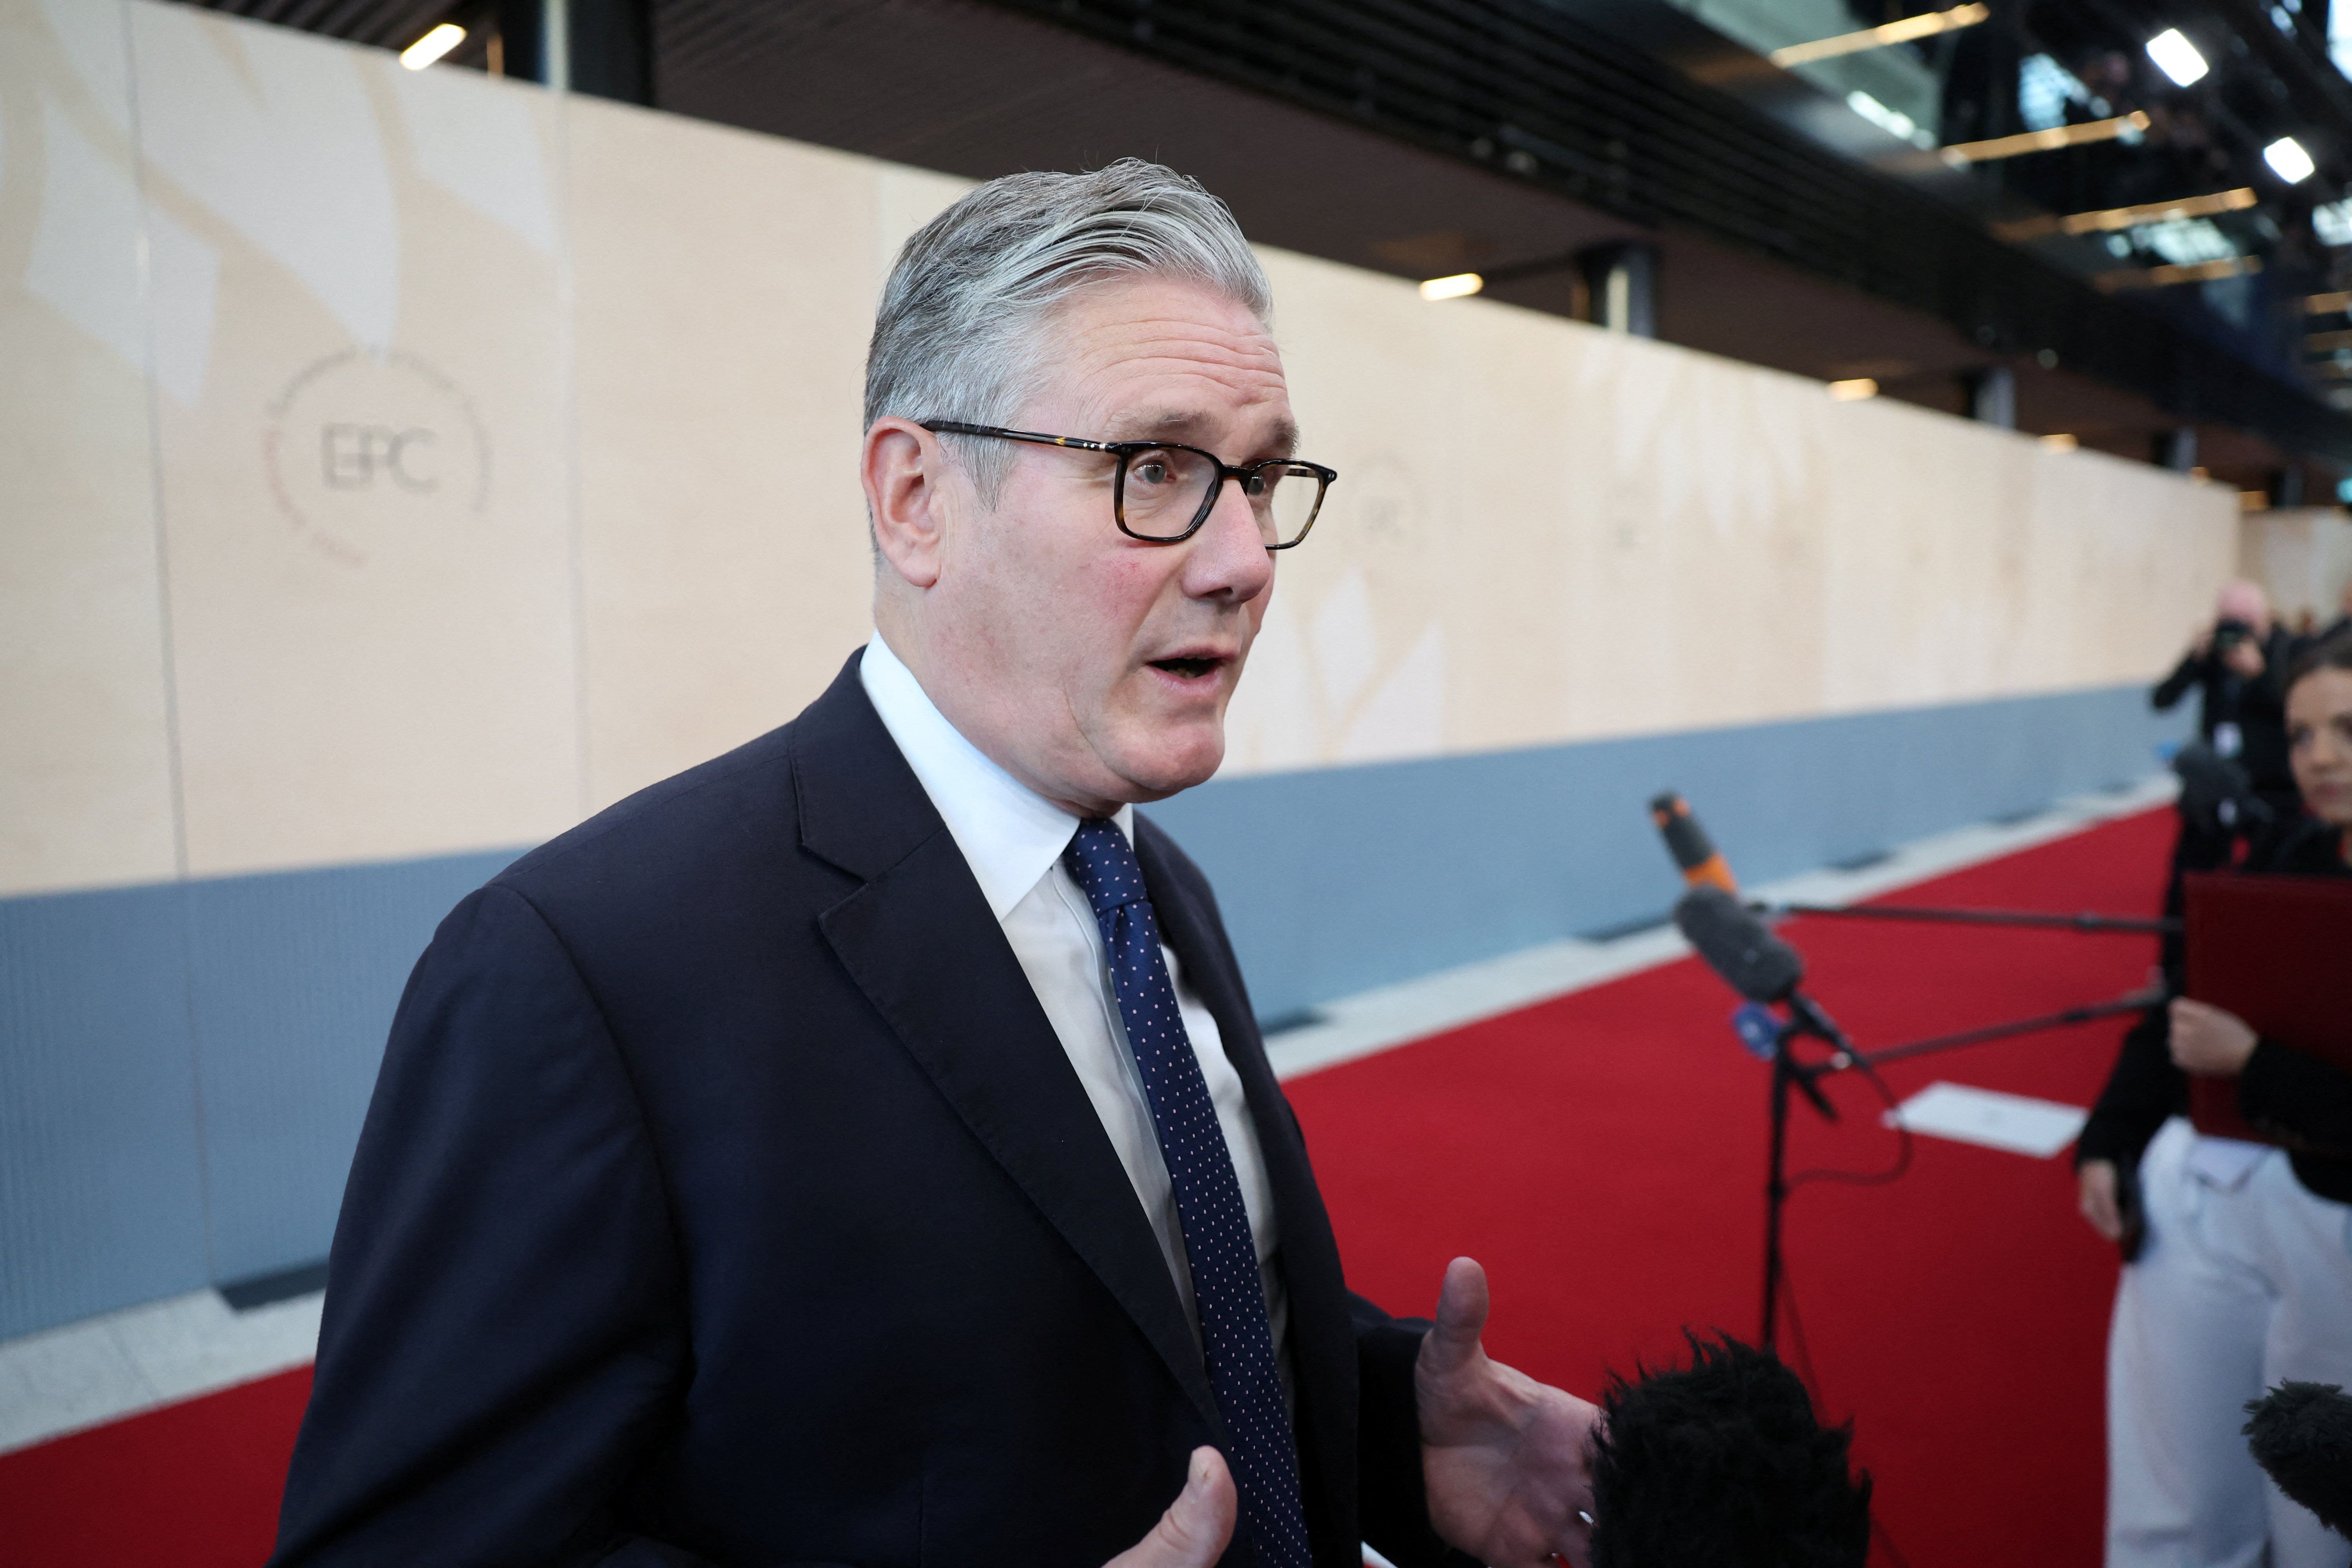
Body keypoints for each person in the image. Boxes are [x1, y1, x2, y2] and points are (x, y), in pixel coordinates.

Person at [267, 161, 1602, 1568]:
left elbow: (1127, 1317)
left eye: (1260, 477)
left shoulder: (1152, 880)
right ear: (916, 498)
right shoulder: (582, 971)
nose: (1245, 558)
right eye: (1155, 468)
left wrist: (1391, 1434)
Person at [2075, 632, 2352, 1568]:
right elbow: (2181, 1010)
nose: (2320, 755)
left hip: (2339, 1230)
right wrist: (2109, 1135)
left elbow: (2236, 1043)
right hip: (2210, 1206)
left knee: (2318, 1512)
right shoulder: (2282, 851)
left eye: (2347, 727)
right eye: (2303, 732)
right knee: (2177, 1486)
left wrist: (2258, 1062)